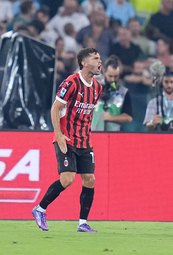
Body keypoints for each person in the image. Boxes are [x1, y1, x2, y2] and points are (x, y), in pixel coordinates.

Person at [32, 48, 103, 232]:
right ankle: (40, 209)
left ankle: (82, 223)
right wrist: (59, 136)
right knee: (68, 179)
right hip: (67, 138)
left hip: (85, 141)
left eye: (100, 58)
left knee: (90, 179)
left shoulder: (97, 87)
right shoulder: (70, 83)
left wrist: (87, 134)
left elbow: (89, 112)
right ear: (84, 63)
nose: (99, 61)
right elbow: (55, 109)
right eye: (95, 58)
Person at [92, 55, 133, 131]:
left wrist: (111, 117)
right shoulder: (93, 87)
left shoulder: (123, 92)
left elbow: (128, 117)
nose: (112, 79)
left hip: (113, 136)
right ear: (104, 72)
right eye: (110, 76)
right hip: (93, 134)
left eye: (116, 76)